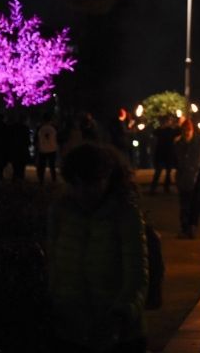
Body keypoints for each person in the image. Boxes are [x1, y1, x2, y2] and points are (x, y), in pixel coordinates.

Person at [47, 143, 148, 352]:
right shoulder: (61, 212)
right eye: (76, 184)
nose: (84, 192)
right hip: (69, 330)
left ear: (109, 179)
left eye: (92, 183)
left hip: (118, 335)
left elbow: (136, 275)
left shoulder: (125, 214)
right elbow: (53, 267)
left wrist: (120, 317)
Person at [174, 119, 200, 239]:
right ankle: (185, 228)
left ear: (192, 130)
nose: (186, 132)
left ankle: (192, 227)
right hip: (183, 179)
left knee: (195, 206)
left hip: (196, 178)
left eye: (188, 130)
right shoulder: (178, 144)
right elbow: (176, 161)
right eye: (184, 130)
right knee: (184, 205)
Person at [150, 115, 178, 194]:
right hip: (161, 154)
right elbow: (154, 132)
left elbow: (178, 131)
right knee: (158, 171)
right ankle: (153, 188)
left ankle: (166, 188)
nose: (168, 122)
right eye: (167, 121)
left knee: (168, 173)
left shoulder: (171, 130)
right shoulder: (160, 130)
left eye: (169, 121)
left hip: (168, 154)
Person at [36, 113, 59, 185]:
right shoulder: (54, 128)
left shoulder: (40, 128)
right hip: (52, 149)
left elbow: (36, 139)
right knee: (52, 166)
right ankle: (54, 180)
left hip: (42, 149)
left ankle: (41, 180)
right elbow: (57, 138)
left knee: (42, 166)